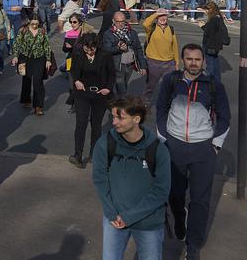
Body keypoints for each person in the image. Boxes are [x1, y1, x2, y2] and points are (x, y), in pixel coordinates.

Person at [156, 43, 231, 260]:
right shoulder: (171, 81)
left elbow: (224, 117)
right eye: (189, 59)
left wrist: (215, 144)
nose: (194, 63)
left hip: (203, 148)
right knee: (175, 194)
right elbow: (161, 109)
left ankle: (193, 246)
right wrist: (164, 138)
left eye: (198, 59)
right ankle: (179, 218)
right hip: (175, 145)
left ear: (203, 62)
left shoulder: (214, 85)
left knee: (200, 200)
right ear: (183, 60)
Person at [91, 95, 170, 260]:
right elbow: (100, 179)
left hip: (148, 222)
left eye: (120, 118)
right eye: (113, 117)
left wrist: (129, 217)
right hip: (115, 220)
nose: (114, 122)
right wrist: (111, 212)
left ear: (136, 119)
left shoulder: (158, 150)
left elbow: (161, 191)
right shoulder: (105, 143)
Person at [69, 34, 115, 168]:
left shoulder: (105, 55)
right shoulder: (77, 54)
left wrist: (107, 88)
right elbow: (73, 70)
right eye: (86, 48)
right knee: (81, 123)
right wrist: (76, 81)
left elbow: (112, 74)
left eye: (92, 49)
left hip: (99, 93)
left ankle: (94, 153)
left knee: (96, 124)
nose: (89, 51)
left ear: (97, 46)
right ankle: (78, 154)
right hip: (82, 93)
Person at [10, 18, 52, 116]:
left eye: (36, 24)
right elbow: (16, 43)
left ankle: (38, 106)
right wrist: (15, 56)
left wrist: (48, 60)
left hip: (39, 58)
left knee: (38, 81)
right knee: (26, 80)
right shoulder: (23, 30)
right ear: (29, 23)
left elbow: (47, 45)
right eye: (32, 24)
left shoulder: (42, 31)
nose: (34, 26)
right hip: (25, 58)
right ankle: (26, 99)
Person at [101, 12, 144, 95]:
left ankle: (118, 99)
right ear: (113, 21)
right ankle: (121, 101)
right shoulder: (108, 34)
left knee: (124, 84)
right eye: (118, 22)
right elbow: (106, 49)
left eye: (122, 21)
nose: (120, 24)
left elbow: (138, 49)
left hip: (130, 64)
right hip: (117, 66)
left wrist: (142, 65)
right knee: (121, 89)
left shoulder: (132, 32)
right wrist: (118, 49)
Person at [140, 9, 179, 98]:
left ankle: (166, 104)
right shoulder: (151, 28)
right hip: (153, 62)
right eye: (160, 16)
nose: (162, 18)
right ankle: (145, 104)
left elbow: (174, 46)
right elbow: (145, 24)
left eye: (164, 16)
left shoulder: (171, 29)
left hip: (169, 63)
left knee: (169, 87)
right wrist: (156, 14)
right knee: (150, 87)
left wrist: (176, 62)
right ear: (157, 18)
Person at [198, 0, 230, 78]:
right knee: (215, 63)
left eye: (206, 10)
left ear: (211, 10)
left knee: (210, 65)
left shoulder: (213, 19)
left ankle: (210, 81)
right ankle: (216, 81)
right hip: (216, 45)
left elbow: (209, 32)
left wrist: (202, 26)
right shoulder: (219, 17)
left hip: (210, 45)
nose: (205, 12)